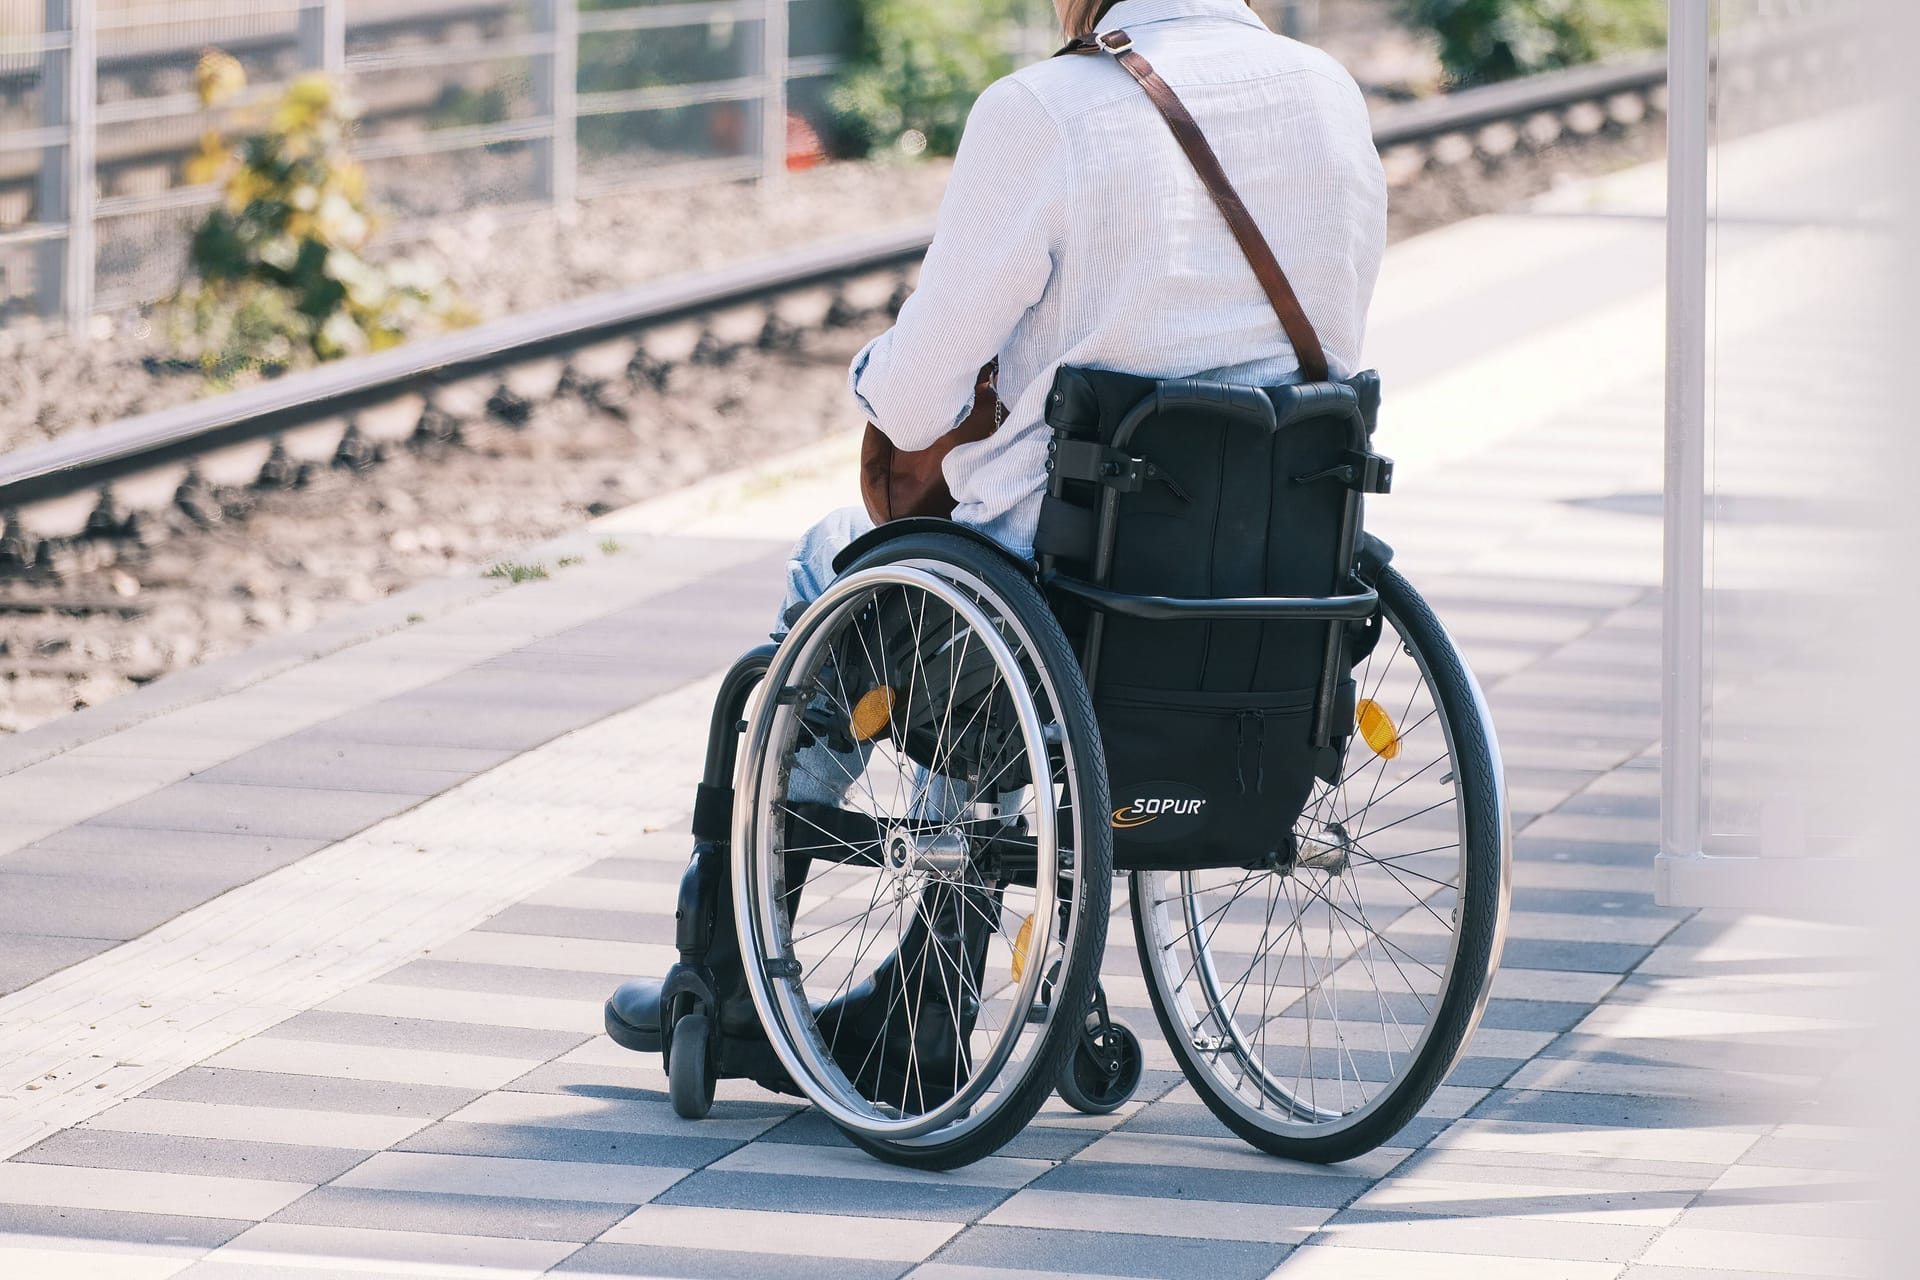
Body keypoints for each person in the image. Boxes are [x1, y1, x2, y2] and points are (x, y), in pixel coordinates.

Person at [780, 0, 1387, 629]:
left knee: (823, 550)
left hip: (1055, 584)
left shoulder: (1042, 107)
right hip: (1283, 575)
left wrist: (875, 374)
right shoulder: (1328, 89)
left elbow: (911, 411)